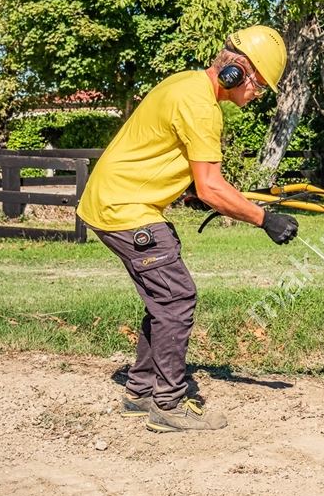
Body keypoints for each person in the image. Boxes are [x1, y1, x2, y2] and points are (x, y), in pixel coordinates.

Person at [77, 25, 299, 434]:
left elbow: (193, 173)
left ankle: (141, 391)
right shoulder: (201, 107)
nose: (258, 95)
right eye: (260, 84)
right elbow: (210, 187)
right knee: (178, 296)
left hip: (117, 201)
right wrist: (265, 219)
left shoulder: (186, 85)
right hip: (125, 208)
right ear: (236, 71)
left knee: (165, 298)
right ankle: (168, 404)